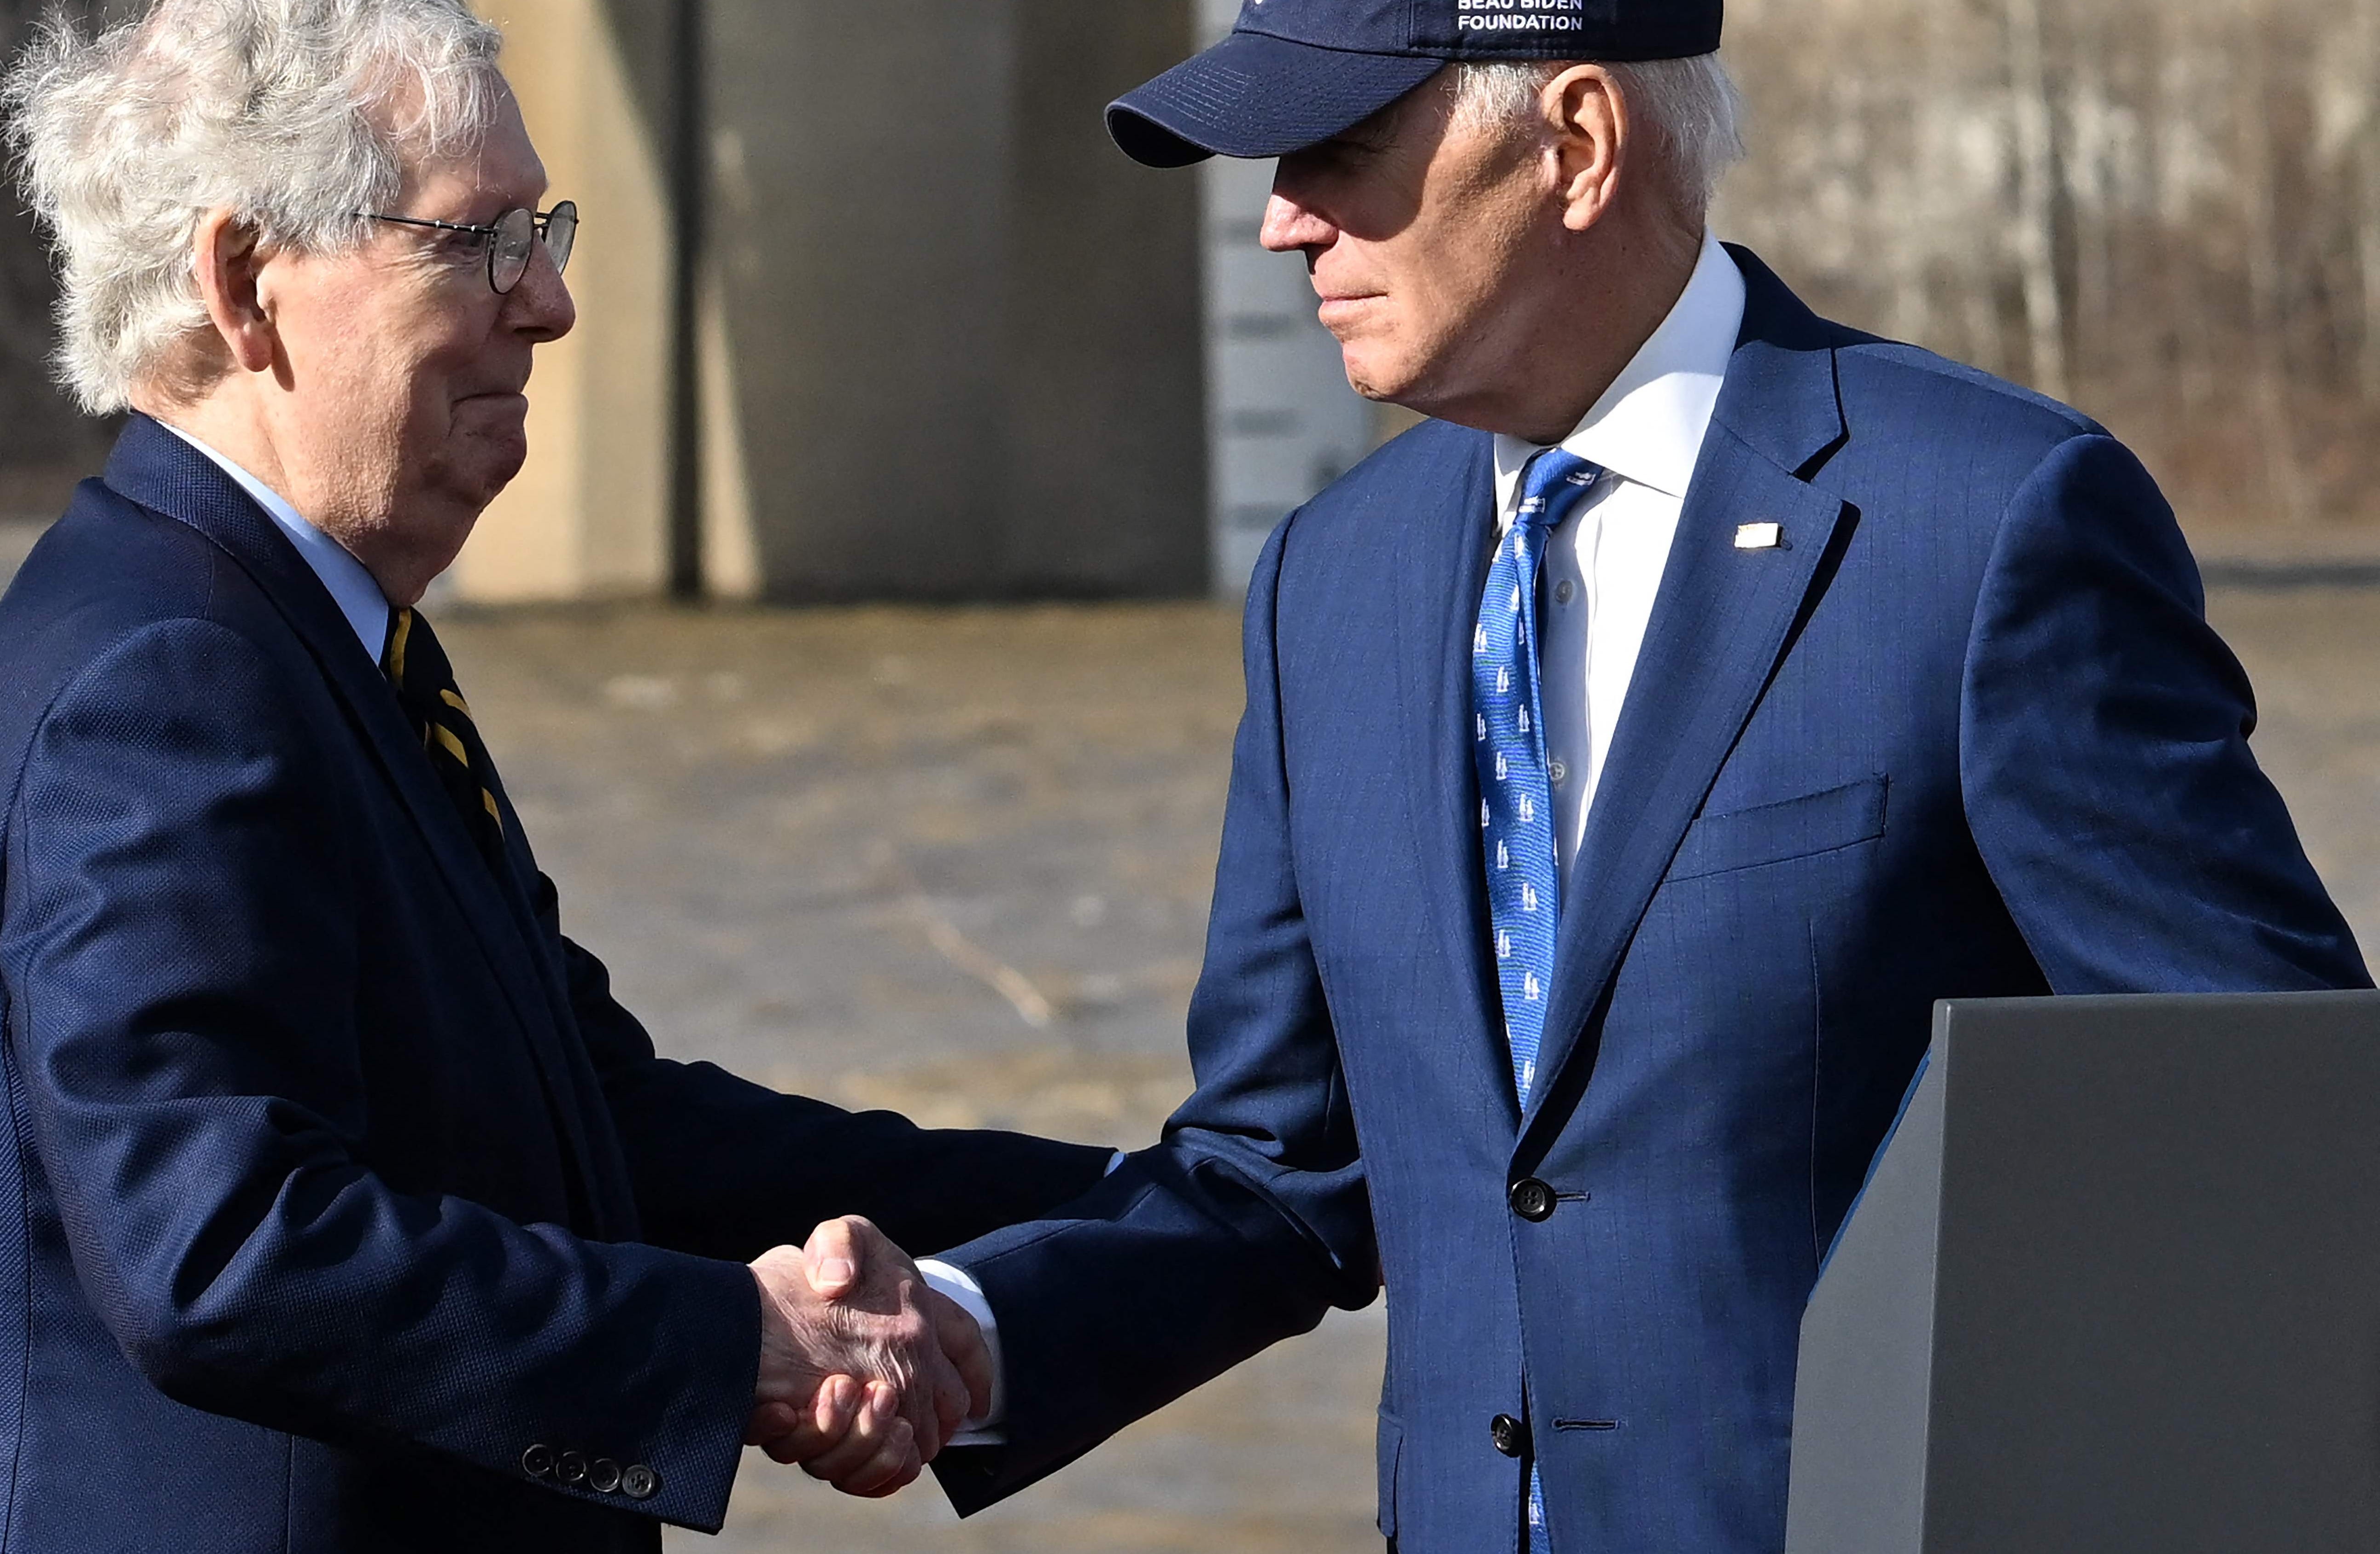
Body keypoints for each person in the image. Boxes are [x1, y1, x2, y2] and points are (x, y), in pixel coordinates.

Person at [822, 3, 2376, 1551]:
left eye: (1341, 151)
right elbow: (1281, 1170)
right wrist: (968, 1327)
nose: (1281, 223)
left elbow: (2262, 1122)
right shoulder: (1329, 586)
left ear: (1575, 144)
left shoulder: (1984, 527)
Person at [0, 2, 1108, 1549]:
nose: (555, 302)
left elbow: (588, 1126)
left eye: (543, 231)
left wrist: (1137, 1207)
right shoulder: (168, 682)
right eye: (477, 242)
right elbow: (223, 1249)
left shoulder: (303, 643)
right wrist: (748, 1348)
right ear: (248, 284)